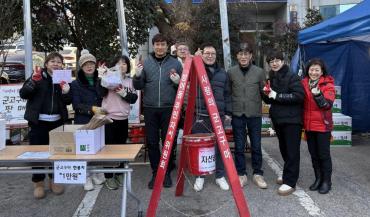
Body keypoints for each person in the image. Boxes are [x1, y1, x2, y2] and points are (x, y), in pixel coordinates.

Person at [133, 33, 182, 189]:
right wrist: (137, 76)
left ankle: (166, 172)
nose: (160, 47)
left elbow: (181, 87)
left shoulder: (176, 63)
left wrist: (177, 82)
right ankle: (156, 172)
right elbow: (138, 86)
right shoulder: (146, 63)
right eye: (157, 44)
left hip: (169, 108)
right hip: (150, 109)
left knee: (169, 142)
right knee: (153, 142)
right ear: (153, 46)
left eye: (163, 44)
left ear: (167, 46)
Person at [19, 52, 70, 199]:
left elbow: (68, 101)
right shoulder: (38, 76)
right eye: (52, 61)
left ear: (62, 65)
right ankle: (38, 182)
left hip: (57, 122)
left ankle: (54, 180)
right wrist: (32, 82)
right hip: (39, 122)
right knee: (38, 153)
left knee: (57, 152)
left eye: (59, 62)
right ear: (46, 64)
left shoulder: (64, 78)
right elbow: (23, 94)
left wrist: (66, 91)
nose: (56, 64)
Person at [262, 49, 304, 196]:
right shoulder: (272, 77)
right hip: (278, 119)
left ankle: (291, 182)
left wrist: (277, 95)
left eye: (276, 60)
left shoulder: (292, 76)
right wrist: (265, 93)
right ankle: (288, 174)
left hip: (292, 120)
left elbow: (299, 96)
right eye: (271, 61)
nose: (274, 63)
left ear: (283, 61)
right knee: (284, 149)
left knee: (292, 151)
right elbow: (270, 99)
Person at [192, 42, 232, 192]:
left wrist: (228, 112)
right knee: (201, 147)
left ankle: (219, 175)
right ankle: (200, 176)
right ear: (201, 55)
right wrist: (193, 60)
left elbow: (228, 94)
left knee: (220, 147)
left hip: (218, 116)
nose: (210, 56)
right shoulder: (195, 70)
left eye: (212, 54)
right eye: (206, 53)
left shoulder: (222, 73)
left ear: (216, 56)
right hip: (201, 115)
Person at [227, 42, 267, 189]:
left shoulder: (259, 71)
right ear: (237, 56)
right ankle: (241, 174)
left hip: (254, 113)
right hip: (237, 114)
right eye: (240, 54)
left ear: (251, 56)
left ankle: (258, 173)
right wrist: (228, 112)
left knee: (256, 145)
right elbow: (228, 93)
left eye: (246, 54)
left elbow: (264, 92)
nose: (243, 56)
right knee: (239, 146)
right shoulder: (231, 72)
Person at [100, 55, 138, 190]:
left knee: (121, 148)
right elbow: (100, 93)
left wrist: (123, 93)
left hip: (123, 119)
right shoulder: (109, 77)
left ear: (128, 66)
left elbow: (133, 98)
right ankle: (109, 176)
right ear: (113, 65)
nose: (121, 66)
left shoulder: (130, 81)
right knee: (109, 149)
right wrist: (103, 77)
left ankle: (120, 173)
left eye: (124, 64)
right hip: (109, 119)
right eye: (118, 63)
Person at [70, 49, 106, 191]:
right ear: (81, 67)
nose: (89, 66)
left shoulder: (100, 79)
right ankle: (86, 177)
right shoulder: (75, 84)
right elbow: (76, 105)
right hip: (83, 120)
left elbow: (104, 95)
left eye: (91, 63)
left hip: (99, 119)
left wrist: (104, 81)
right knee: (84, 150)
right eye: (86, 64)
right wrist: (92, 109)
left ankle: (96, 173)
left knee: (97, 147)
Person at [302, 58, 335, 194]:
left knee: (323, 155)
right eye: (311, 69)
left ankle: (327, 181)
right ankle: (318, 178)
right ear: (307, 70)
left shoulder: (328, 85)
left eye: (317, 70)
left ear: (322, 72)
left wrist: (318, 94)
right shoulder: (303, 83)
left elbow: (326, 105)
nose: (313, 72)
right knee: (313, 155)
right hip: (308, 126)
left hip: (322, 126)